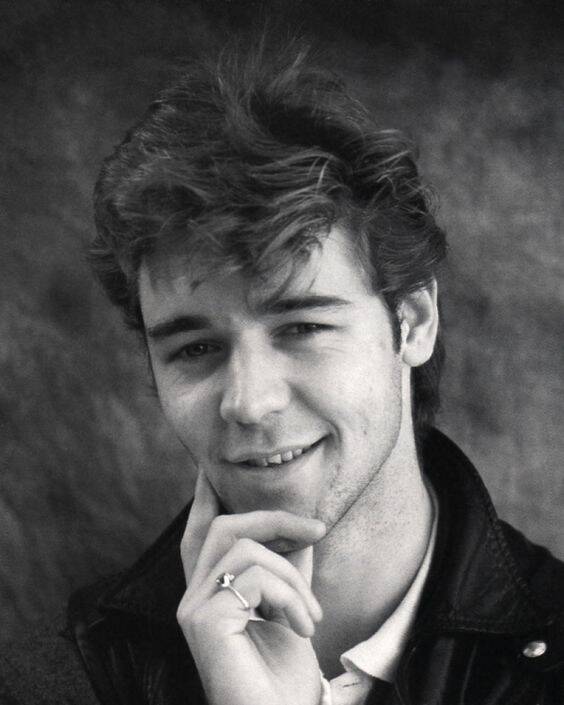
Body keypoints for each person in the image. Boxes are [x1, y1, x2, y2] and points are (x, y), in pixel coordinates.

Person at [2, 42, 564, 705]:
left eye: (302, 328)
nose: (248, 402)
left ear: (412, 321)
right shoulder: (63, 681)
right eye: (195, 348)